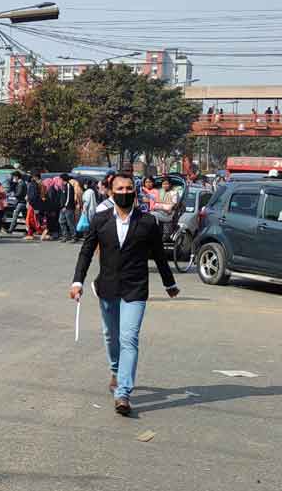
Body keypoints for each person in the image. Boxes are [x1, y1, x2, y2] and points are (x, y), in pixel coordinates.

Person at [70, 171, 179, 416]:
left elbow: (159, 256)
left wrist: (169, 284)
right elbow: (86, 253)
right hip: (107, 286)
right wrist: (77, 282)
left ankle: (123, 392)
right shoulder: (100, 220)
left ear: (135, 191)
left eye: (129, 188)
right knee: (111, 335)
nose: (125, 193)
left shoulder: (148, 222)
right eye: (119, 189)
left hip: (135, 287)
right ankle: (116, 370)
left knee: (129, 338)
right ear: (110, 192)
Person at [58, 173, 78, 243]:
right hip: (63, 208)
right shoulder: (63, 186)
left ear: (63, 179)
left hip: (68, 208)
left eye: (60, 179)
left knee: (70, 223)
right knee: (61, 221)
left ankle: (74, 237)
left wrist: (65, 206)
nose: (59, 180)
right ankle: (65, 236)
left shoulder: (69, 186)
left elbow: (69, 197)